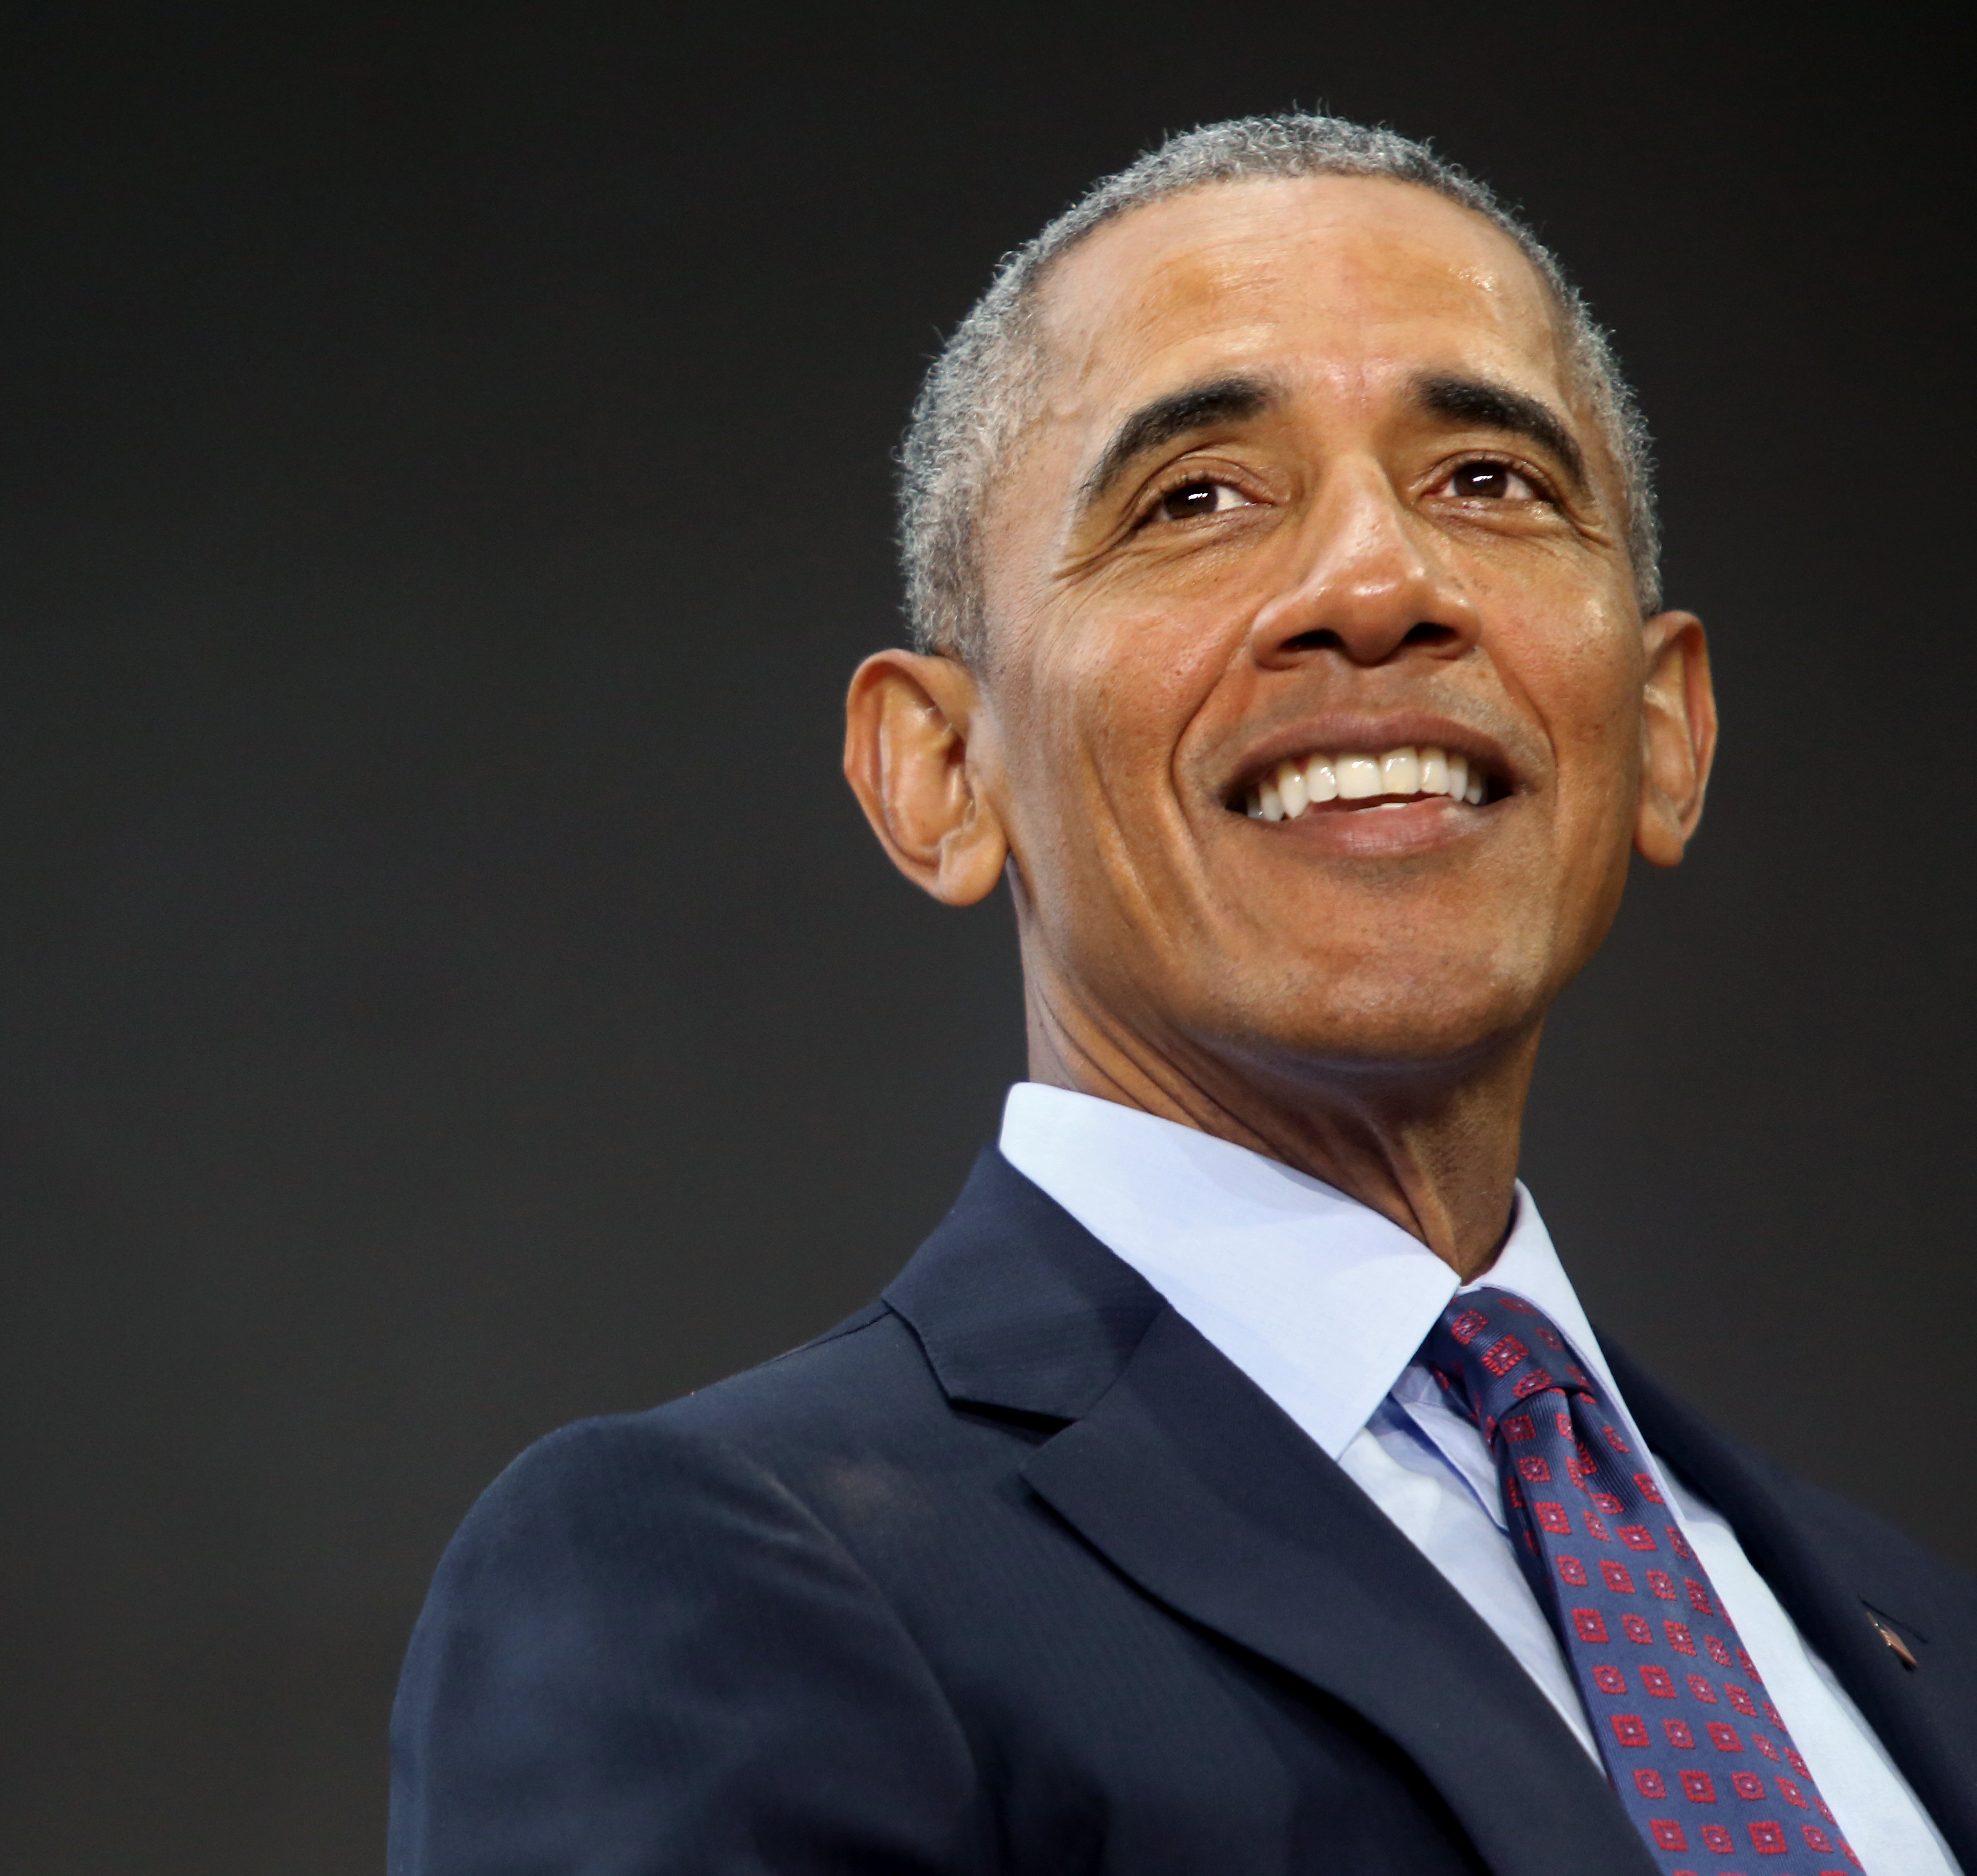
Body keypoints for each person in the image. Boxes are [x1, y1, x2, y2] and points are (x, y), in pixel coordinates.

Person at [387, 115, 1976, 1874]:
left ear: (1664, 734)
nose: (1379, 585)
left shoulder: (1919, 1636)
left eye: (1486, 484)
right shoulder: (714, 1569)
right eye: (1193, 497)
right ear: (936, 770)